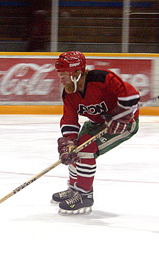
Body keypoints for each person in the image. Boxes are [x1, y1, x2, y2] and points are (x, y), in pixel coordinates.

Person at [52, 51, 140, 215]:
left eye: (65, 74)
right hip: (97, 123)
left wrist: (123, 116)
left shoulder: (103, 78)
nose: (61, 78)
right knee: (75, 148)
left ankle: (85, 195)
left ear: (77, 72)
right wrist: (68, 142)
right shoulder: (69, 93)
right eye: (60, 74)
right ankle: (74, 189)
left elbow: (131, 94)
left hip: (123, 125)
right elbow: (69, 120)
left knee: (86, 149)